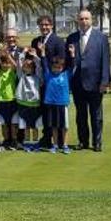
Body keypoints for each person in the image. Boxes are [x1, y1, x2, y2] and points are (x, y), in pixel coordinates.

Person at [65, 10, 110, 151]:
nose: (84, 21)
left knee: (96, 115)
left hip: (96, 83)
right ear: (77, 21)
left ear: (91, 20)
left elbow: (106, 60)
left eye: (86, 18)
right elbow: (68, 62)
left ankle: (97, 143)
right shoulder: (71, 38)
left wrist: (104, 81)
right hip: (78, 83)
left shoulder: (101, 38)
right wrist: (72, 56)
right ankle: (83, 141)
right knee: (81, 116)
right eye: (81, 19)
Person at [31, 15, 65, 147]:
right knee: (44, 110)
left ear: (51, 26)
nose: (44, 27)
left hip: (54, 81)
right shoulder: (36, 41)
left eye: (46, 25)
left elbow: (62, 60)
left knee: (56, 110)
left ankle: (60, 139)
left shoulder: (58, 41)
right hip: (40, 82)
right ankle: (47, 136)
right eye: (41, 25)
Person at [40, 41, 75, 154]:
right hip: (51, 104)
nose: (56, 69)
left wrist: (72, 54)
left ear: (62, 67)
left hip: (62, 104)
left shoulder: (66, 75)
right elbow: (44, 63)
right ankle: (55, 145)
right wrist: (43, 52)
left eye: (59, 67)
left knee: (64, 126)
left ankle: (64, 145)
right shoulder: (48, 74)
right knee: (54, 126)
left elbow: (72, 65)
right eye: (55, 67)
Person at [15, 47, 43, 151]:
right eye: (26, 66)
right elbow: (18, 64)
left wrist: (35, 56)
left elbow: (40, 67)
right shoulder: (21, 75)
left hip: (35, 104)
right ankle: (27, 143)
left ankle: (35, 143)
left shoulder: (38, 77)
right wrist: (23, 53)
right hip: (23, 104)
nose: (28, 68)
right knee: (26, 126)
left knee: (35, 125)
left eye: (30, 66)